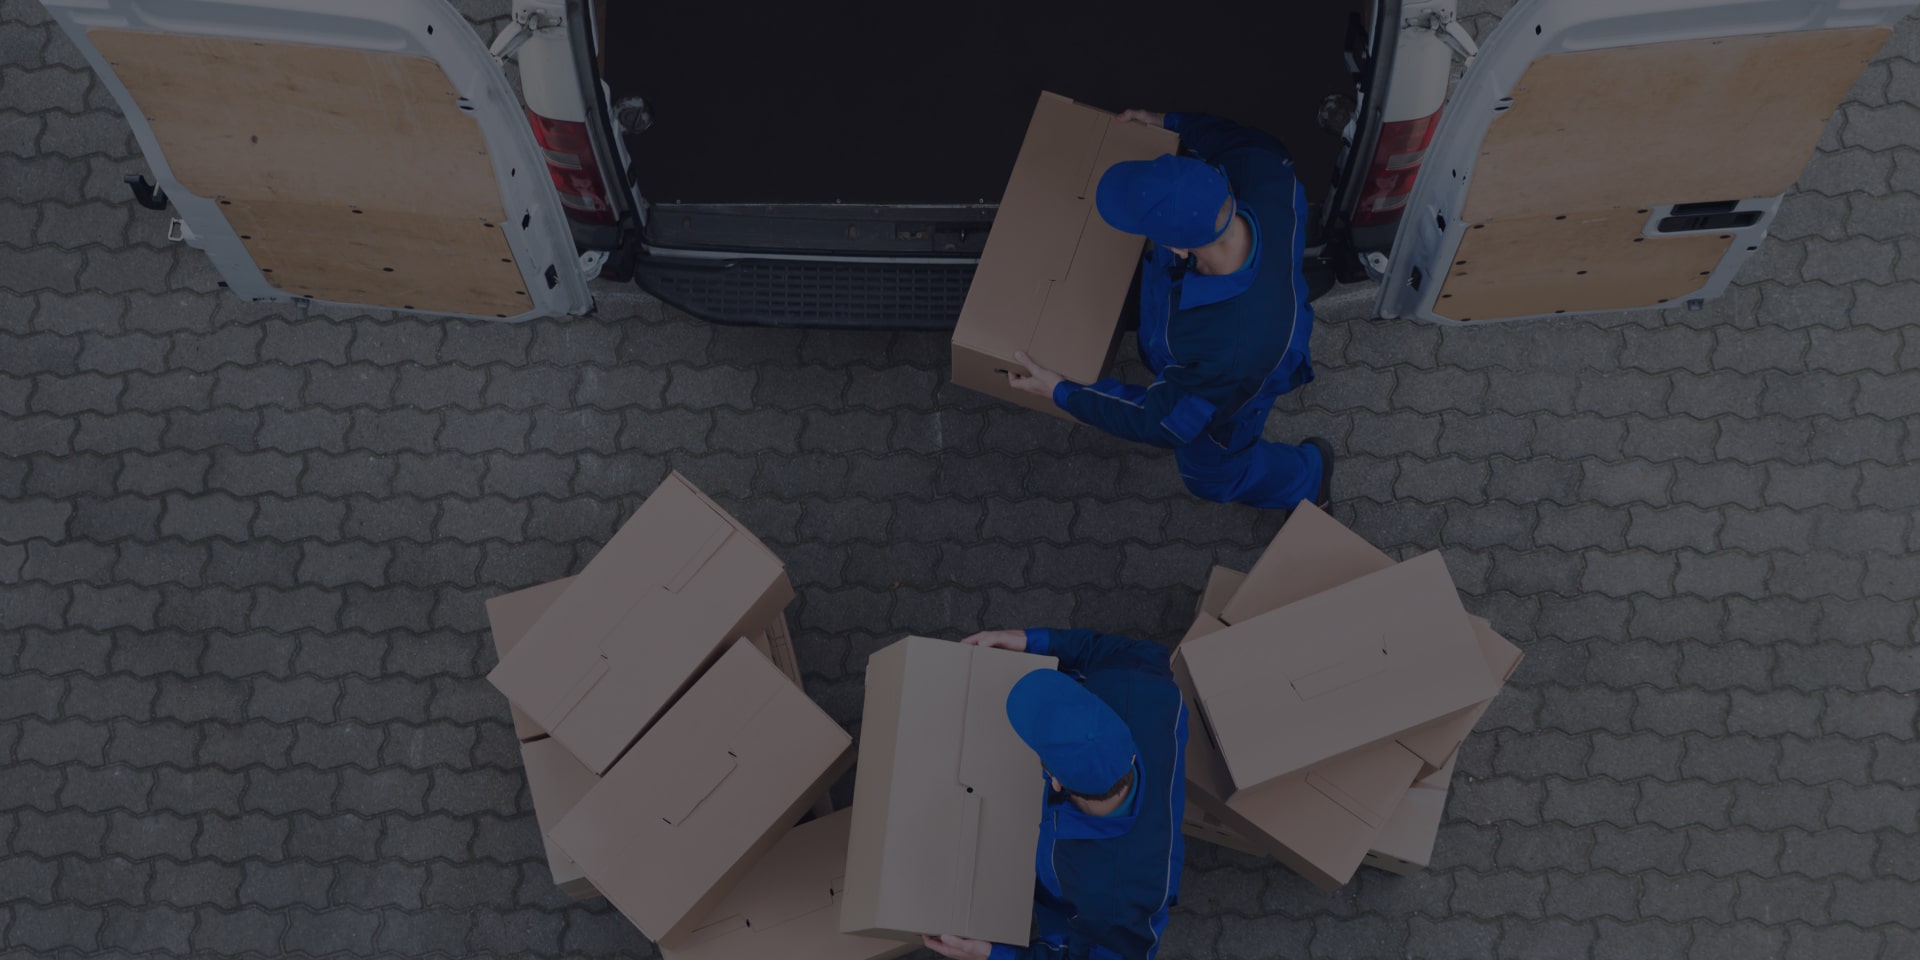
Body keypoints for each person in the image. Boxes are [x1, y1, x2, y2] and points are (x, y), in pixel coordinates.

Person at [1007, 109, 1332, 510]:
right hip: (1242, 324)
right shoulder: (1259, 165)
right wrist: (1169, 121)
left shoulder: (1230, 352)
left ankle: (1308, 477)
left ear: (1178, 249)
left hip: (1249, 376)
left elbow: (1160, 421)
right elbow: (1231, 137)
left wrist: (1062, 392)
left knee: (1213, 476)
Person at [921, 628, 1187, 960]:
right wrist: (1032, 642)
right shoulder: (1141, 686)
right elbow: (1117, 649)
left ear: (1055, 782)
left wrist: (995, 956)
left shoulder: (1113, 899)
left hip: (1082, 896)